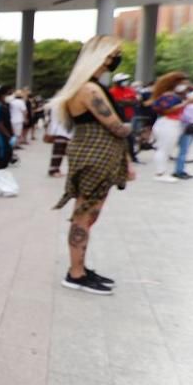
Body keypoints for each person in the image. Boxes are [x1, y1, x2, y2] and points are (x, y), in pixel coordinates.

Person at [51, 36, 132, 295]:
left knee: (87, 215)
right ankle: (76, 273)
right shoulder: (90, 90)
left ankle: (80, 268)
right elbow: (115, 126)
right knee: (84, 215)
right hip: (95, 155)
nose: (116, 59)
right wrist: (132, 128)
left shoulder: (90, 86)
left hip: (97, 154)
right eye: (113, 54)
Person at [149, 72, 193, 182]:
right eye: (183, 83)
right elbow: (167, 110)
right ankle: (160, 173)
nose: (185, 85)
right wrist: (185, 103)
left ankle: (162, 172)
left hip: (172, 123)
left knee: (166, 149)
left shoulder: (173, 95)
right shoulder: (168, 96)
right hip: (168, 123)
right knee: (163, 149)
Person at [108, 74, 140, 162]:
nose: (125, 82)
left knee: (130, 137)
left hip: (129, 116)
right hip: (117, 117)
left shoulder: (130, 90)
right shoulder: (112, 91)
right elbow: (116, 103)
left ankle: (132, 156)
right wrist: (126, 102)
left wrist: (124, 102)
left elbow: (135, 101)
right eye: (123, 80)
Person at [0, 86, 16, 171]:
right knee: (0, 158)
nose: (11, 96)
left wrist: (13, 134)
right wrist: (8, 136)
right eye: (9, 94)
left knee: (6, 157)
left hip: (7, 136)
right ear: (2, 95)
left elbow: (8, 121)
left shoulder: (6, 106)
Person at [46, 102, 74, 177]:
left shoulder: (55, 105)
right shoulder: (63, 106)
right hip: (64, 131)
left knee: (59, 152)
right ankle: (54, 170)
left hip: (59, 131)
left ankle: (55, 169)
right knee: (59, 152)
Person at [175, 100, 193, 179]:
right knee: (183, 151)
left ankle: (181, 170)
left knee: (185, 151)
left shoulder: (191, 106)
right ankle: (179, 171)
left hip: (191, 129)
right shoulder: (190, 107)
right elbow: (184, 118)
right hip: (187, 129)